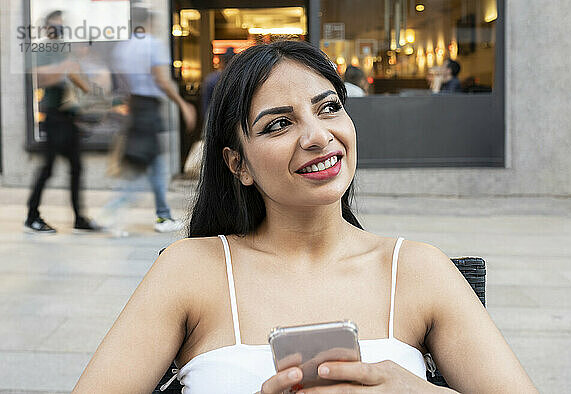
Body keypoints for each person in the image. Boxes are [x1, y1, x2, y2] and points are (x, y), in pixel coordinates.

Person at [73, 41, 537, 393]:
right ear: (239, 165)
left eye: (329, 108)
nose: (318, 137)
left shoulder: (417, 269)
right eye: (278, 124)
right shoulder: (190, 269)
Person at [100, 4, 196, 234]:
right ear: (149, 23)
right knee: (141, 170)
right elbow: (162, 79)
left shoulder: (122, 48)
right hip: (149, 111)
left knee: (153, 166)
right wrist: (183, 104)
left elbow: (121, 85)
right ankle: (112, 212)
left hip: (135, 109)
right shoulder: (153, 45)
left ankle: (162, 216)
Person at [24, 10, 101, 234]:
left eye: (61, 25)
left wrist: (89, 91)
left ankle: (78, 218)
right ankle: (32, 216)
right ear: (48, 27)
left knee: (76, 167)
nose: (58, 29)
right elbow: (38, 77)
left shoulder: (63, 51)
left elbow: (77, 79)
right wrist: (65, 68)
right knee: (47, 169)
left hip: (68, 119)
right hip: (53, 118)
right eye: (55, 25)